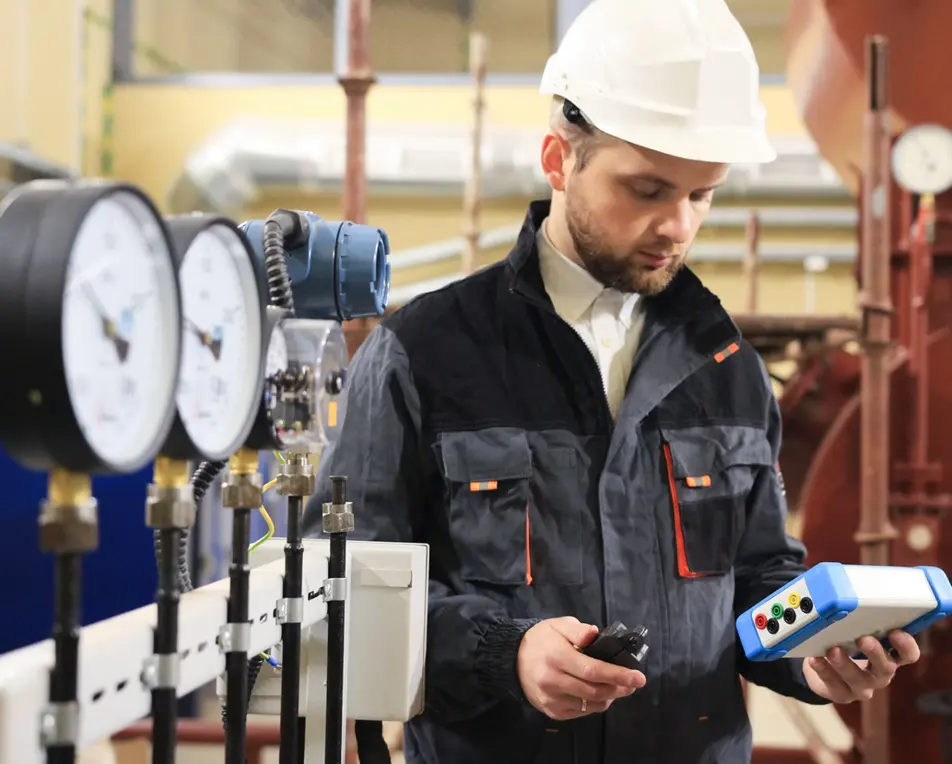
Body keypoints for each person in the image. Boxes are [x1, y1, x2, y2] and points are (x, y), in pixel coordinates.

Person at [303, 0, 921, 761]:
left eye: (703, 195)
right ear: (561, 160)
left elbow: (758, 576)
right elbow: (341, 583)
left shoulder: (727, 368)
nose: (680, 227)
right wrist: (509, 652)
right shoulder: (426, 353)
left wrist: (813, 658)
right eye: (649, 190)